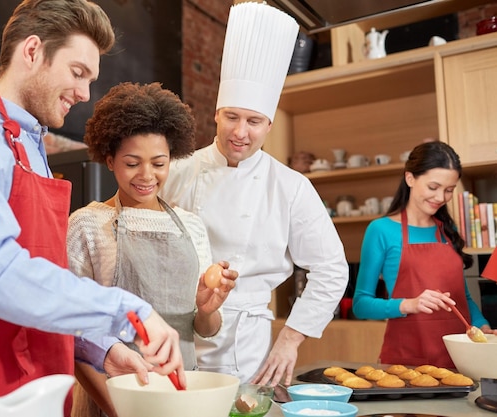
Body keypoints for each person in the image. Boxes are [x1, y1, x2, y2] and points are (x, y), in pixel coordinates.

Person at [0, 2, 184, 417]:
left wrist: (99, 348)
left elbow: (43, 286)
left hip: (42, 385)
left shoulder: (32, 148)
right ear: (32, 51)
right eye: (78, 73)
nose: (84, 94)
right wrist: (127, 310)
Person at [160, 2, 349, 387]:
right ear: (216, 113)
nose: (240, 132)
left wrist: (291, 338)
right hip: (173, 333)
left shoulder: (291, 186)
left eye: (254, 121)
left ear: (269, 125)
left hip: (247, 345)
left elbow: (332, 269)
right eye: (232, 116)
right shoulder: (176, 170)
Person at [67, 81, 237, 417]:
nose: (147, 175)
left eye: (159, 163)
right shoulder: (86, 224)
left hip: (181, 396)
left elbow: (204, 330)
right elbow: (69, 332)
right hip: (109, 398)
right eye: (132, 163)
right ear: (110, 159)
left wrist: (206, 309)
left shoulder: (190, 226)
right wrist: (119, 409)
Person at [352, 141, 497, 368]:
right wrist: (409, 305)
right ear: (410, 178)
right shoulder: (381, 230)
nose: (441, 197)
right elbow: (360, 305)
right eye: (433, 187)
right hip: (407, 361)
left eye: (449, 190)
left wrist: (483, 327)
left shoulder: (448, 231)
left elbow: (462, 299)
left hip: (459, 361)